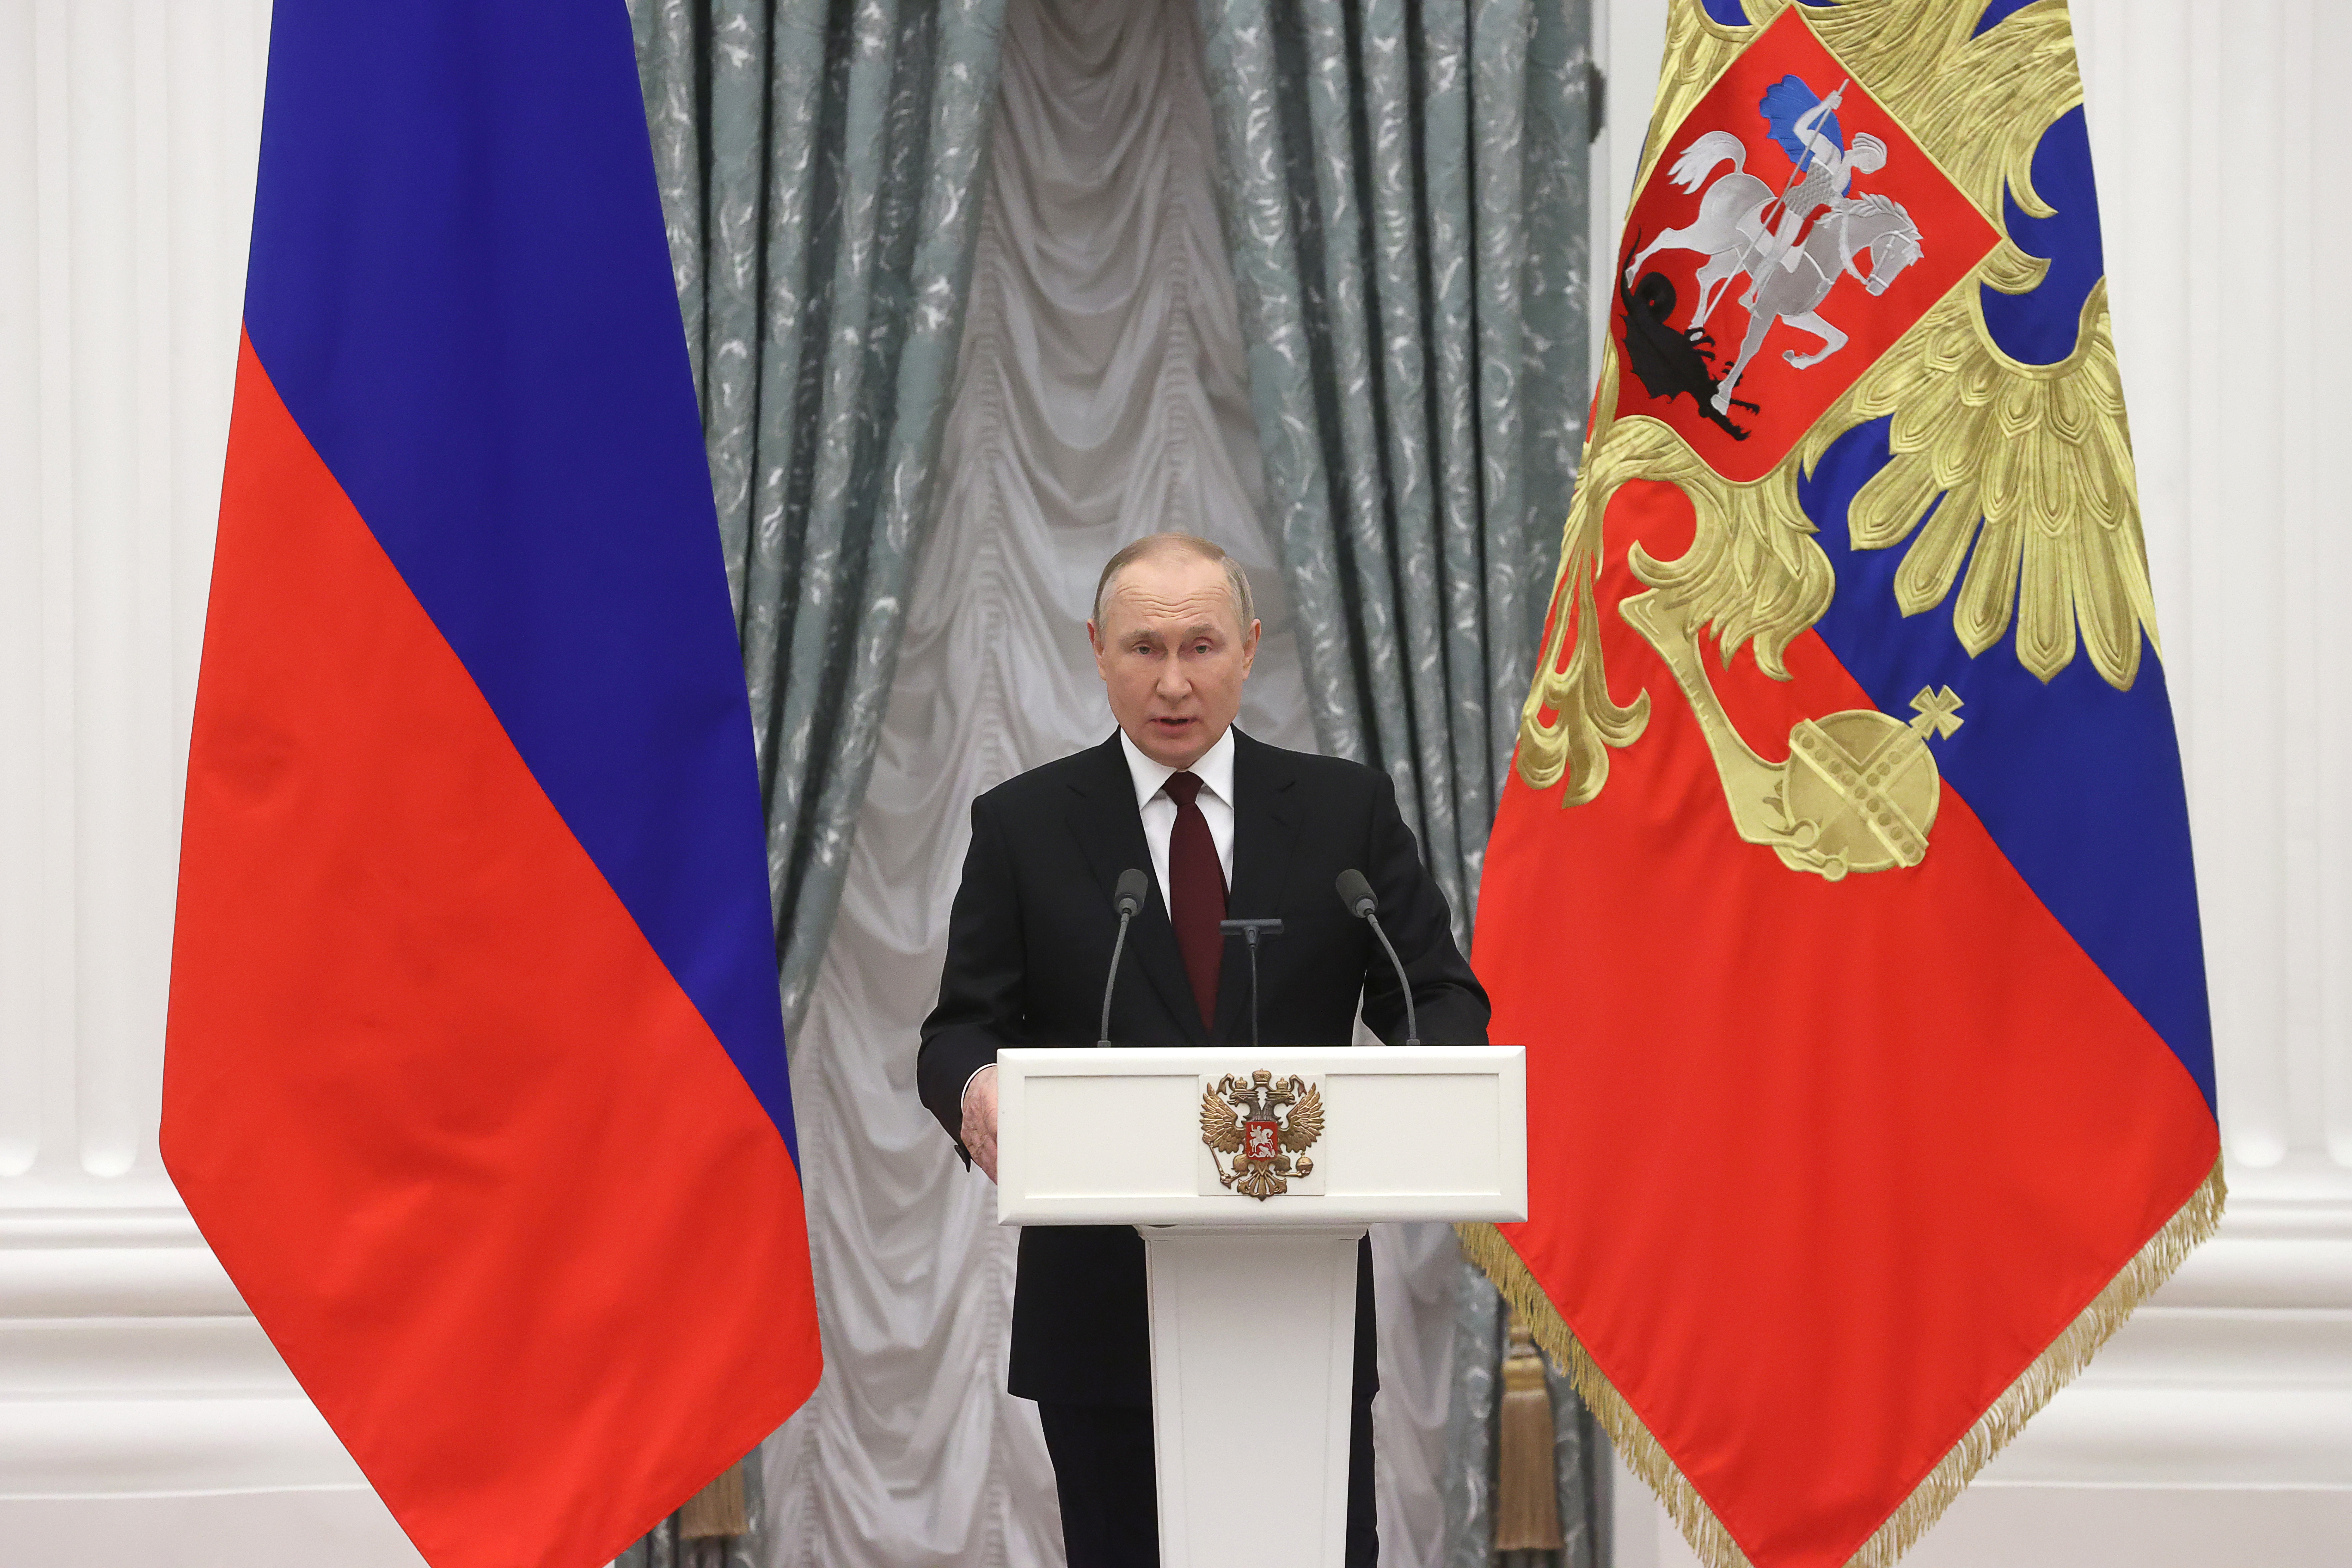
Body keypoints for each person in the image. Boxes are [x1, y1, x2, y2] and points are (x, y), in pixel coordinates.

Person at [917, 532, 1490, 1568]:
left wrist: (1421, 1086)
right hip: (1101, 1318)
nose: (1172, 681)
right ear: (1096, 650)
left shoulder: (1343, 812)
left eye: (1200, 645)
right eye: (1143, 648)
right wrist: (977, 1083)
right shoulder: (1025, 825)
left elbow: (1437, 995)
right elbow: (960, 1024)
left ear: (1250, 648)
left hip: (1295, 1313)